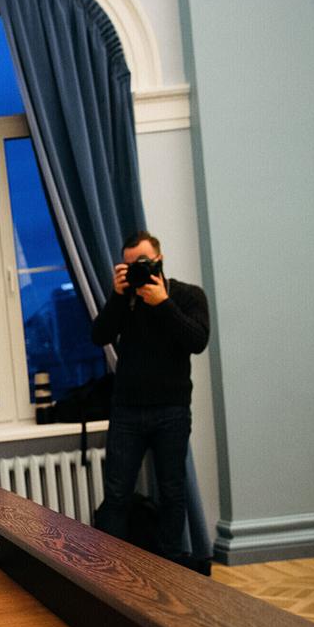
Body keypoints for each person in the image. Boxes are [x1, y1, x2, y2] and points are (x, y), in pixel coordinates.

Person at [90, 231, 210, 564]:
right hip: (127, 410)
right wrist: (117, 296)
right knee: (116, 493)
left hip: (172, 409)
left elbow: (197, 340)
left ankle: (172, 566)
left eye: (142, 262)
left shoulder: (187, 295)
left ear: (159, 259)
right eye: (129, 265)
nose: (136, 270)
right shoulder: (124, 300)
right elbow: (99, 335)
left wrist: (163, 304)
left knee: (172, 490)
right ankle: (109, 569)